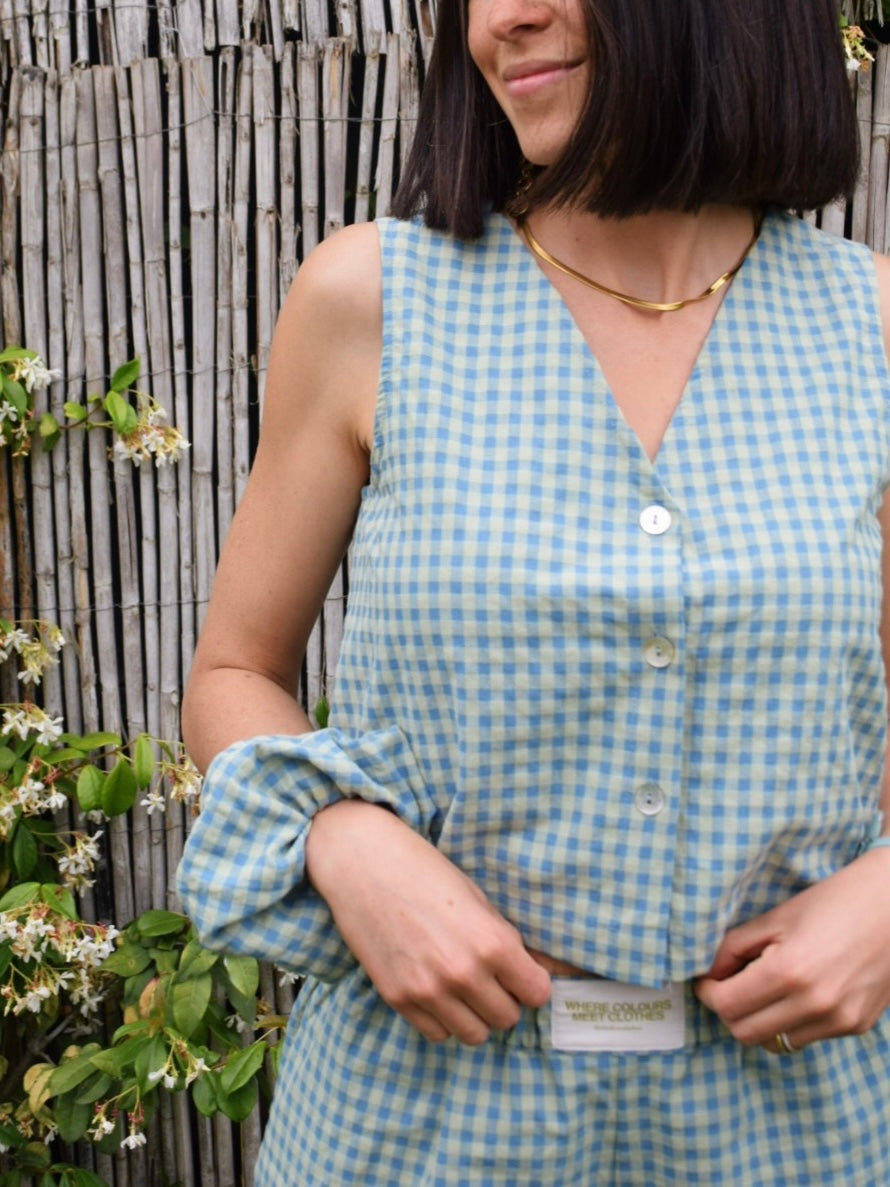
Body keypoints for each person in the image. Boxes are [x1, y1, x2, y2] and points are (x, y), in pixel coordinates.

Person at [177, 0, 890, 1181]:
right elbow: (231, 673)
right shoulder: (370, 301)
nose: (503, 15)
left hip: (793, 1125)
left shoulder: (868, 327)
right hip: (416, 1123)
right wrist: (343, 839)